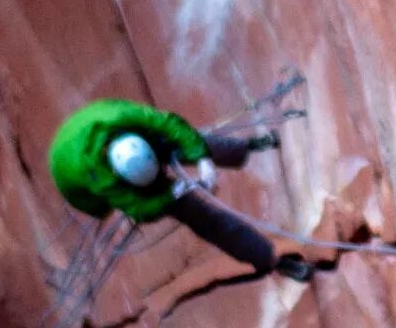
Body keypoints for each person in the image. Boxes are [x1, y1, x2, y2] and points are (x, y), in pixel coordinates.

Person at [48, 97, 312, 281]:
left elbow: (169, 124)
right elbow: (138, 209)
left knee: (182, 143)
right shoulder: (101, 178)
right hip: (75, 181)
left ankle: (245, 148)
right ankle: (269, 258)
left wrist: (202, 158)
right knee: (195, 213)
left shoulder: (125, 118)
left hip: (96, 123)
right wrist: (170, 194)